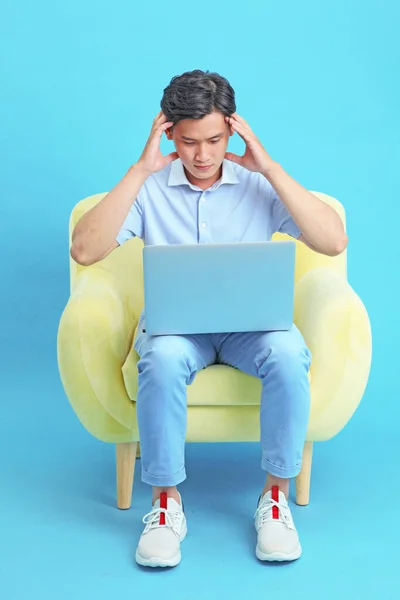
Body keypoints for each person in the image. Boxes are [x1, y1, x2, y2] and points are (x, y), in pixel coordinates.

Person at [70, 69, 348, 568]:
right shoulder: (151, 187)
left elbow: (333, 241)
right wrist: (138, 171)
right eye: (189, 141)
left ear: (233, 132)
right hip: (178, 331)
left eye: (216, 140)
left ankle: (276, 498)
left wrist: (270, 168)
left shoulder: (258, 185)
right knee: (159, 356)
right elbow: (85, 250)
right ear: (168, 133)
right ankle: (164, 503)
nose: (202, 155)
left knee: (287, 351)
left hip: (252, 330)